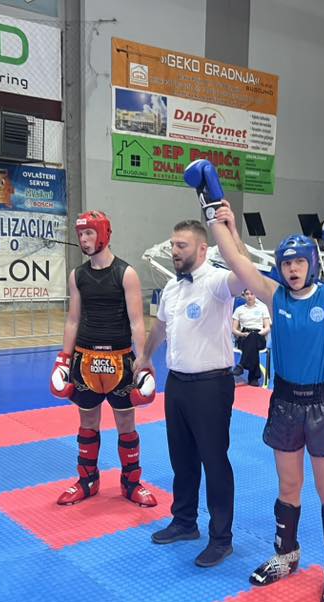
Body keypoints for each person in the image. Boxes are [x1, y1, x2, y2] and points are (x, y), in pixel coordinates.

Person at [190, 159, 324, 602]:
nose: (291, 269)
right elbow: (235, 258)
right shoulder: (274, 296)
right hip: (286, 402)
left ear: (312, 263)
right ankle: (286, 555)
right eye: (286, 263)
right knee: (288, 488)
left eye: (298, 262)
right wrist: (213, 210)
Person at [135, 211, 251, 568]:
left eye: (182, 246)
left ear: (202, 249)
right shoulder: (172, 287)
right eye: (173, 245)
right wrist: (145, 357)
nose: (174, 251)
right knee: (181, 459)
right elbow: (160, 327)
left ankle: (221, 538)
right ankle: (185, 521)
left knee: (214, 462)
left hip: (211, 386)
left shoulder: (217, 281)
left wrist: (232, 232)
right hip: (178, 384)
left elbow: (246, 272)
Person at [49, 210, 158, 509]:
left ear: (104, 234)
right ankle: (87, 480)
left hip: (120, 359)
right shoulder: (78, 275)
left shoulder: (125, 273)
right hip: (85, 359)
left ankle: (131, 483)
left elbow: (137, 321)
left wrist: (144, 360)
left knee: (126, 421)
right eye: (80, 234)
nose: (84, 239)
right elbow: (73, 319)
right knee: (87, 420)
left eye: (89, 233)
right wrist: (63, 358)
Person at [231, 288, 271, 386]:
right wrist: (242, 334)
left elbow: (267, 327)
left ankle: (242, 365)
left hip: (259, 336)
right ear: (244, 295)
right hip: (244, 336)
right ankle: (254, 378)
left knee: (253, 336)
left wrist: (259, 334)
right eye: (247, 294)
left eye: (252, 294)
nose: (249, 296)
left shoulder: (262, 308)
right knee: (252, 342)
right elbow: (234, 329)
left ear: (255, 295)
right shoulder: (239, 310)